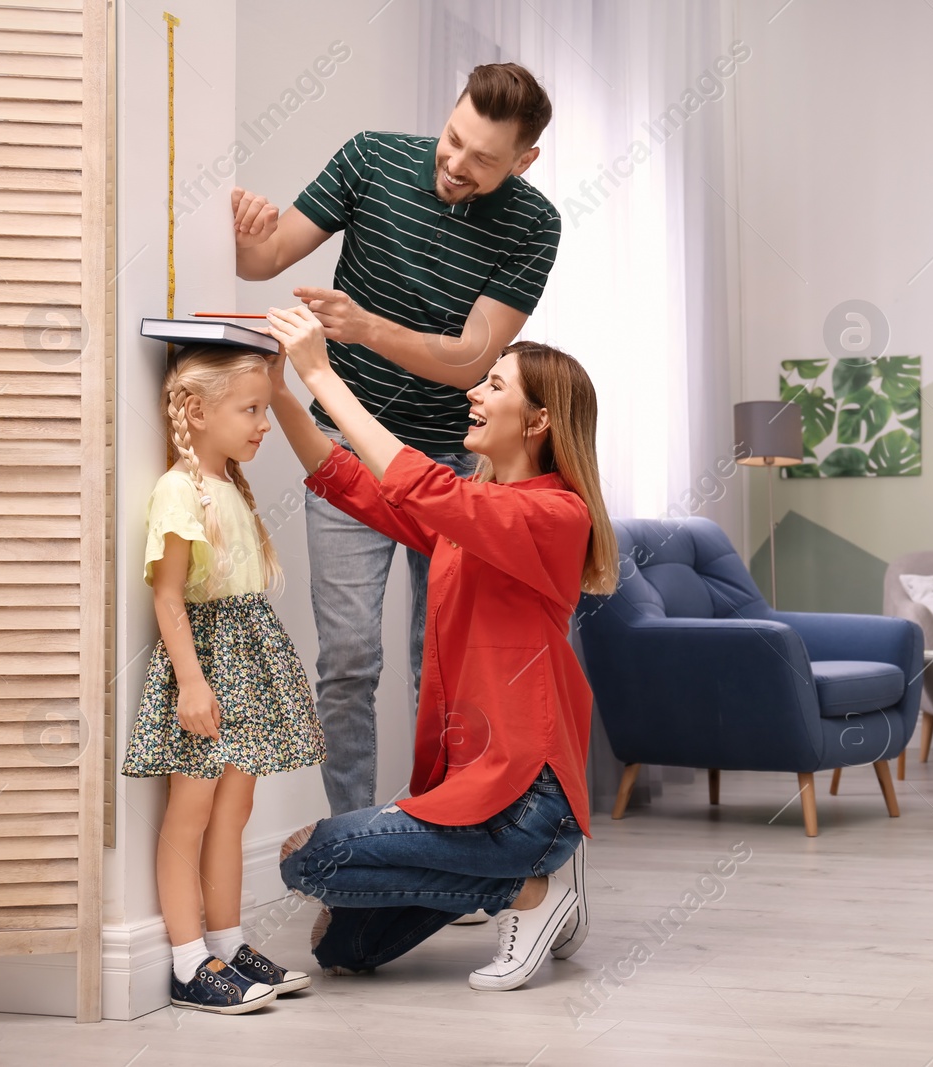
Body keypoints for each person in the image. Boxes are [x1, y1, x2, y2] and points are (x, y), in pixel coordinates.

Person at [231, 63, 562, 817]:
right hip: (348, 457)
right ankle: (356, 849)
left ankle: (442, 840)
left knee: (442, 664)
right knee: (347, 662)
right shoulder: (371, 158)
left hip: (452, 468)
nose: (455, 164)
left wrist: (364, 329)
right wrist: (248, 231)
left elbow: (474, 360)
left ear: (523, 161)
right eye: (453, 139)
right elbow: (264, 259)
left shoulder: (535, 224)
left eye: (483, 159)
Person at [262, 305, 615, 991]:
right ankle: (531, 886)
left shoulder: (553, 515)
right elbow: (354, 484)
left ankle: (529, 893)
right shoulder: (471, 519)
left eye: (495, 386)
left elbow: (421, 484)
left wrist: (321, 373)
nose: (474, 393)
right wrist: (281, 392)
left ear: (539, 420)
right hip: (470, 793)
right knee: (347, 946)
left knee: (311, 856)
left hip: (527, 800)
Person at [122, 346, 328, 1014]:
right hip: (210, 667)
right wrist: (190, 681)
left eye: (264, 407)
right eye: (251, 409)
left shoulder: (231, 485)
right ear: (196, 411)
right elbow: (168, 596)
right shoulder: (178, 492)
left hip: (246, 663)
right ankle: (188, 961)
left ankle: (230, 944)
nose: (263, 423)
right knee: (191, 814)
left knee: (232, 813)